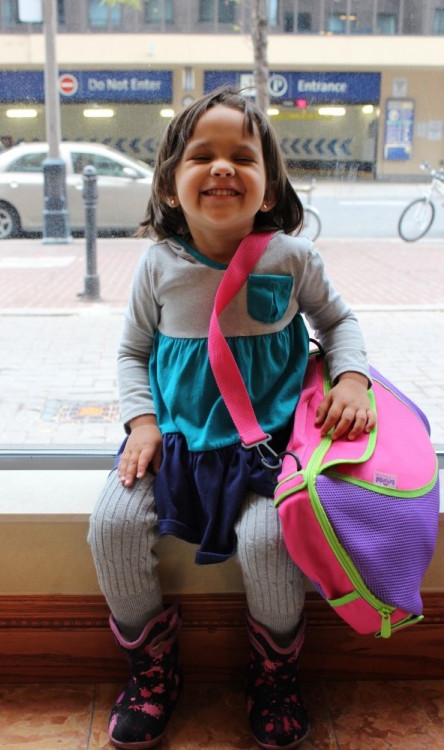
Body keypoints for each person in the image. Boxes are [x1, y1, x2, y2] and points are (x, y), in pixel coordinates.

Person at [88, 87, 376, 750]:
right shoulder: (158, 265)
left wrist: (353, 377)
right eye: (203, 157)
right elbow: (132, 353)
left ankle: (275, 671)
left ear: (271, 188)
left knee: (271, 543)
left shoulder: (292, 259)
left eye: (242, 157)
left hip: (267, 451)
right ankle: (151, 668)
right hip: (173, 444)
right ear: (168, 187)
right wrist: (141, 424)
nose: (223, 168)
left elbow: (340, 321)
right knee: (111, 526)